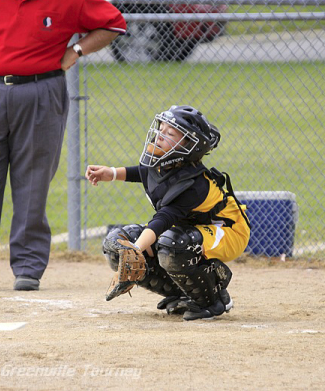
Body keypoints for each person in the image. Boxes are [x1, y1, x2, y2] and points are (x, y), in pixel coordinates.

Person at [0, 0, 126, 292]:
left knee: (33, 182)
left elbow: (114, 23)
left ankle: (27, 269)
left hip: (42, 91)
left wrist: (76, 49)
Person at [85, 105, 251, 320]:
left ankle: (213, 300)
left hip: (227, 230)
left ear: (188, 145)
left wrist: (135, 250)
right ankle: (184, 293)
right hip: (192, 228)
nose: (160, 135)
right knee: (116, 243)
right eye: (161, 128)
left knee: (172, 244)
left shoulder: (194, 185)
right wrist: (112, 173)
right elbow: (144, 172)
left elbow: (163, 220)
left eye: (170, 133)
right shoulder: (165, 163)